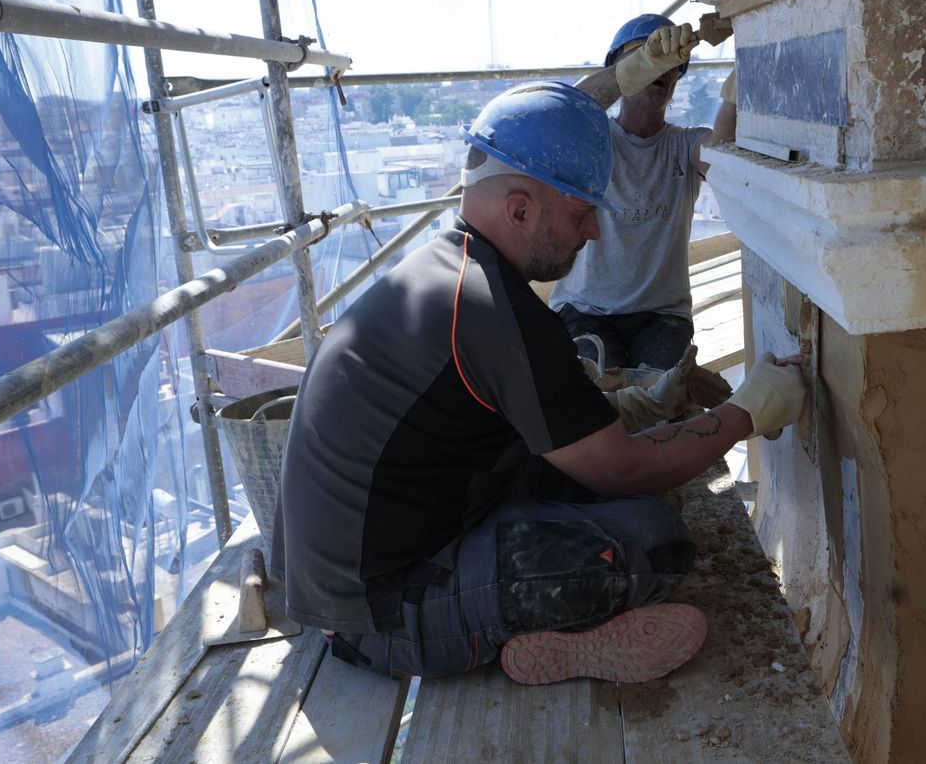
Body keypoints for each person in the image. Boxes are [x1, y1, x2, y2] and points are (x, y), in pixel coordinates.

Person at [271, 81, 804, 687]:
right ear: (520, 210)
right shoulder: (496, 311)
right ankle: (539, 642)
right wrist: (750, 409)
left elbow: (560, 426)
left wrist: (641, 406)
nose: (594, 233)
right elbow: (621, 467)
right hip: (381, 614)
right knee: (653, 538)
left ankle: (526, 620)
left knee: (620, 493)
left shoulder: (451, 272)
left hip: (359, 569)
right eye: (581, 213)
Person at [552, 13, 739, 370]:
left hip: (662, 315)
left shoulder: (683, 146)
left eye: (672, 63)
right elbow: (563, 114)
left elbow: (725, 156)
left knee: (659, 401)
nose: (662, 69)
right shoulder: (594, 140)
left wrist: (745, 72)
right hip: (585, 310)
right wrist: (632, 70)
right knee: (599, 394)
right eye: (645, 57)